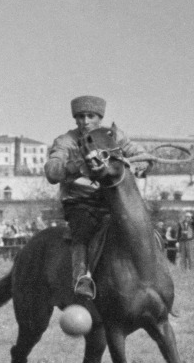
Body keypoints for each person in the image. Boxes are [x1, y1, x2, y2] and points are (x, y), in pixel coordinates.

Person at [45, 96, 148, 299]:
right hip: (81, 203)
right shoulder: (66, 141)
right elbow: (52, 172)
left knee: (141, 223)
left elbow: (142, 157)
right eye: (80, 117)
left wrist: (137, 165)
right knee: (82, 229)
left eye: (90, 116)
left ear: (99, 118)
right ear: (75, 119)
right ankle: (81, 278)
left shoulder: (115, 136)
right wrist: (76, 166)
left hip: (112, 200)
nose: (85, 121)